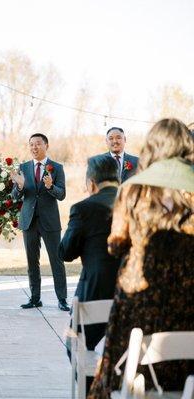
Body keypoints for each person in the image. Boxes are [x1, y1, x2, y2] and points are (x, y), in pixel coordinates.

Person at [88, 118, 194, 398]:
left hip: (140, 303)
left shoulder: (133, 188)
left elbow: (116, 244)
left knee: (126, 365)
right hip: (189, 301)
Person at [59, 155, 121, 394]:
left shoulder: (84, 208)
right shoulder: (136, 204)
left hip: (95, 290)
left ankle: (91, 393)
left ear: (92, 183)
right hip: (130, 290)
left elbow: (66, 252)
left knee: (76, 344)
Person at [10, 133, 69, 311]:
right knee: (31, 262)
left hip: (49, 222)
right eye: (31, 145)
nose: (34, 147)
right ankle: (35, 298)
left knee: (56, 261)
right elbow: (14, 196)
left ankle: (62, 299)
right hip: (29, 221)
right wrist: (19, 186)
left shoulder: (56, 168)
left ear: (46, 145)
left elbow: (62, 194)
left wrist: (51, 186)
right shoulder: (24, 167)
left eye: (38, 144)